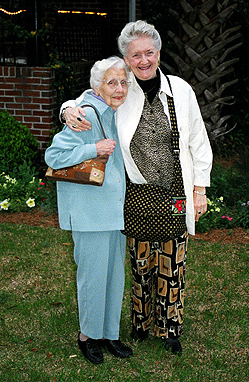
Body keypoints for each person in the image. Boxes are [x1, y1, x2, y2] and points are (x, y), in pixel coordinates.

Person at [60, 20, 213, 355]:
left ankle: (169, 328)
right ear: (126, 59)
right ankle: (141, 325)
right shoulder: (122, 90)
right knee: (141, 262)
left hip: (174, 193)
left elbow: (198, 141)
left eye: (149, 52)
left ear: (158, 53)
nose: (143, 60)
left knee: (172, 260)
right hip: (136, 194)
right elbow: (89, 95)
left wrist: (200, 188)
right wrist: (67, 109)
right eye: (135, 55)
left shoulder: (181, 90)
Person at [45, 56, 133, 365]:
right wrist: (92, 149)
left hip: (114, 211)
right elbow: (54, 156)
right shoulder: (84, 114)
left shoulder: (114, 110)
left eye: (123, 82)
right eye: (112, 82)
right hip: (90, 212)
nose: (119, 88)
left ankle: (109, 334)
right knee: (93, 278)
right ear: (97, 86)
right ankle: (87, 337)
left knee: (113, 277)